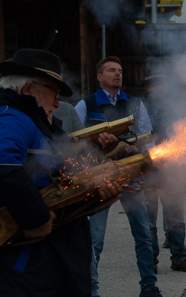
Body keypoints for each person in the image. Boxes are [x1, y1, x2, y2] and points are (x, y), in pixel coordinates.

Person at [0, 48, 121, 295]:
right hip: (27, 268)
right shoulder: (12, 119)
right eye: (54, 93)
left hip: (50, 262)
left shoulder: (41, 126)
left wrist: (98, 188)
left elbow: (62, 178)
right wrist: (35, 217)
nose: (58, 103)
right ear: (29, 89)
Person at [74, 56, 162, 297]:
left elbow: (148, 140)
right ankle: (91, 291)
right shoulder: (85, 105)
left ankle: (149, 287)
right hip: (99, 180)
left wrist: (135, 149)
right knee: (95, 241)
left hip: (130, 175)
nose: (118, 74)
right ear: (99, 76)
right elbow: (73, 141)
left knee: (143, 234)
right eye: (112, 70)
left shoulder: (136, 104)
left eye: (120, 70)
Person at [143, 74, 186, 274]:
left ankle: (179, 258)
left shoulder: (173, 108)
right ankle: (151, 260)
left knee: (176, 217)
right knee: (148, 221)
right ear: (148, 87)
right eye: (155, 84)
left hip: (170, 171)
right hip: (148, 171)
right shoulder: (141, 108)